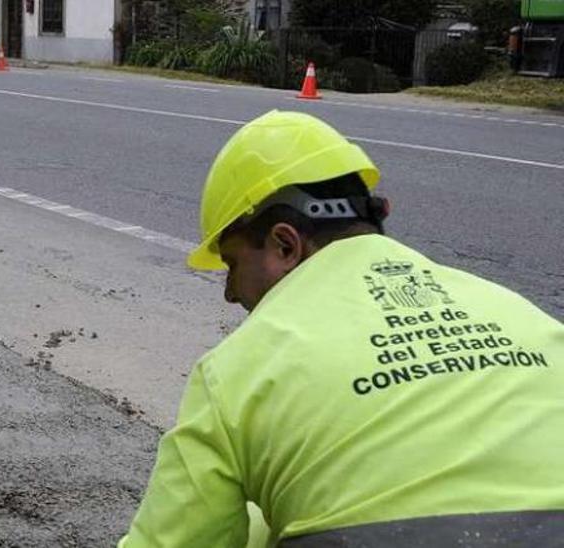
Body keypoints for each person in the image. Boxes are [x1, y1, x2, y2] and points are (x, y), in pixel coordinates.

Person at [118, 111, 563, 546]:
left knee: (256, 516)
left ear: (284, 244)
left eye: (233, 265)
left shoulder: (237, 372)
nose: (230, 293)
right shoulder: (525, 317)